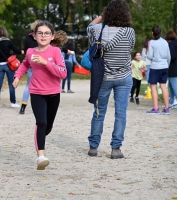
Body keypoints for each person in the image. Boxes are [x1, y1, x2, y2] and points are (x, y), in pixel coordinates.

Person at [12, 21, 67, 170]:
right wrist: (17, 77)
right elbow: (25, 64)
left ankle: (43, 132)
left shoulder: (55, 52)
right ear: (34, 36)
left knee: (47, 126)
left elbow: (63, 73)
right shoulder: (30, 52)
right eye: (40, 33)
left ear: (52, 36)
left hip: (54, 93)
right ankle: (41, 157)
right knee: (41, 122)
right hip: (36, 92)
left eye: (46, 33)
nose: (43, 36)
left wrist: (45, 63)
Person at [86, 0, 135, 159]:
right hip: (123, 77)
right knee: (121, 113)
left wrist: (102, 16)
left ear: (107, 13)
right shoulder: (129, 32)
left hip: (103, 78)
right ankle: (116, 148)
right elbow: (130, 49)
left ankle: (93, 147)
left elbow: (90, 26)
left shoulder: (97, 30)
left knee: (99, 113)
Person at [0, 26, 24, 108]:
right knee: (11, 84)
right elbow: (16, 50)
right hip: (9, 66)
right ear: (5, 33)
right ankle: (13, 102)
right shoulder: (8, 42)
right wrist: (22, 51)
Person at [146, 26, 171, 114]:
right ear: (160, 33)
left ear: (152, 33)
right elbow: (169, 56)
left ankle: (156, 108)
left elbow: (149, 56)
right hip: (164, 66)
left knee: (153, 87)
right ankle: (167, 108)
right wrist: (167, 65)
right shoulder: (165, 42)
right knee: (163, 86)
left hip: (155, 67)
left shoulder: (152, 42)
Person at [19, 20, 40, 114]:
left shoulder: (27, 38)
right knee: (39, 87)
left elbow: (25, 50)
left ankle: (23, 107)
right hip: (40, 64)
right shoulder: (42, 37)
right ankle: (37, 107)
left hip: (31, 64)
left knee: (28, 85)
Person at [165, 30, 177, 109]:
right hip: (175, 67)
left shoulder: (171, 45)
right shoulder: (175, 43)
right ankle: (171, 102)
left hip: (173, 68)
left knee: (174, 86)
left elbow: (172, 56)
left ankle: (172, 101)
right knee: (171, 86)